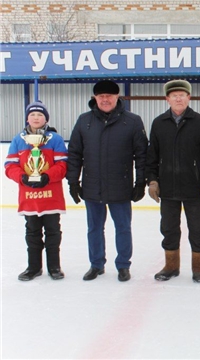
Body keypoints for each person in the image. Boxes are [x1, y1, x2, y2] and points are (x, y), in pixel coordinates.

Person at [67, 80, 148, 282]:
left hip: (120, 186)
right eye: (101, 96)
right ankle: (96, 264)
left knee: (123, 227)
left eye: (109, 96)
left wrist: (140, 183)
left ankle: (123, 265)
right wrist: (73, 182)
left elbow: (141, 155)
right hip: (92, 187)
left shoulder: (132, 121)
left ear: (117, 97)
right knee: (94, 228)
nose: (105, 99)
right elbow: (75, 154)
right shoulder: (84, 121)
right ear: (95, 98)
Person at [146, 79, 200, 283]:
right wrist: (152, 181)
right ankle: (171, 265)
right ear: (167, 99)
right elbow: (152, 156)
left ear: (189, 98)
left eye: (182, 95)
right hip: (167, 188)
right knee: (168, 228)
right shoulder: (159, 123)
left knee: (197, 229)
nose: (178, 98)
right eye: (174, 95)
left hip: (193, 188)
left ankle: (199, 267)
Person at [5, 101, 68, 281]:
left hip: (51, 196)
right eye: (32, 115)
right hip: (29, 196)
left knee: (53, 232)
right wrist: (22, 177)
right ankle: (33, 267)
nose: (36, 118)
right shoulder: (18, 139)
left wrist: (47, 176)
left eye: (40, 115)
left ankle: (54, 267)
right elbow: (10, 166)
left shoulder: (55, 139)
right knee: (32, 232)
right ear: (27, 118)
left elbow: (63, 165)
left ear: (46, 118)